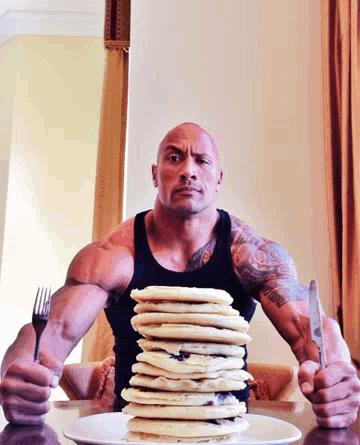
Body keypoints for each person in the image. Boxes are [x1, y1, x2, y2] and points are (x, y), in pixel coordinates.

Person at [1, 122, 359, 427]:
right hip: (133, 437)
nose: (188, 169)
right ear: (155, 174)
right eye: (174, 158)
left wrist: (338, 374)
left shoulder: (251, 254)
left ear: (217, 178)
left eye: (201, 160)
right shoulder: (113, 257)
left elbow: (310, 329)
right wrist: (18, 374)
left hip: (226, 438)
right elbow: (48, 333)